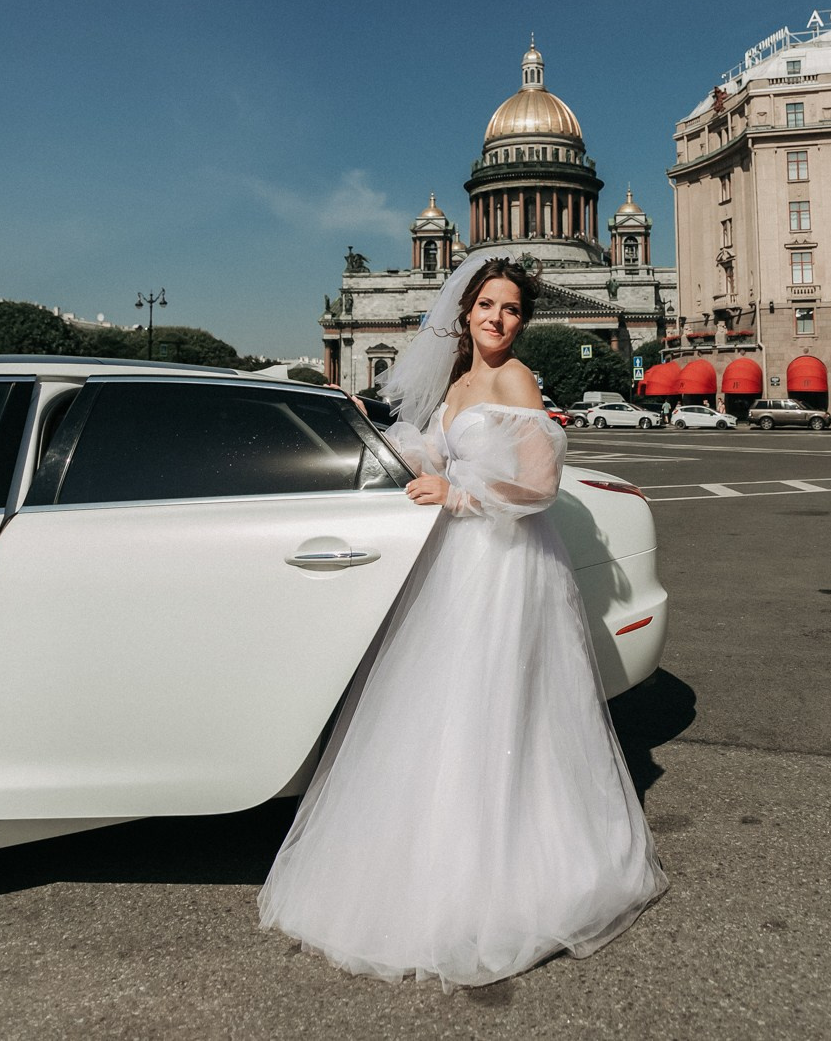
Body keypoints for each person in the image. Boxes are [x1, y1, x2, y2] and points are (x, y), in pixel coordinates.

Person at [258, 250, 667, 991]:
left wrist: (455, 494)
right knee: (440, 706)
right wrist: (399, 445)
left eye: (511, 309)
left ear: (522, 319)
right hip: (458, 561)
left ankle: (504, 870)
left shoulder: (516, 379)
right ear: (465, 310)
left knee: (498, 705)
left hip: (505, 562)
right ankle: (434, 857)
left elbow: (539, 486)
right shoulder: (456, 382)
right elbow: (438, 450)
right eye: (487, 306)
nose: (498, 320)